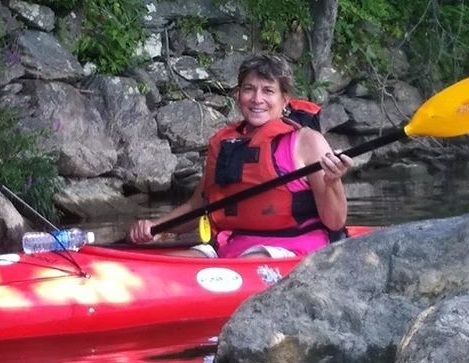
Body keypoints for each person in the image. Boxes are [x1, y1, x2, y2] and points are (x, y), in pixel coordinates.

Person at [128, 54, 353, 258]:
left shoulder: (307, 141)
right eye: (249, 89)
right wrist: (156, 227)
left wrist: (332, 182)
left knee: (250, 260)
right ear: (238, 94)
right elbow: (199, 207)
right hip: (232, 245)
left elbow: (335, 222)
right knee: (169, 263)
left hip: (292, 247)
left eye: (268, 90)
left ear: (285, 99)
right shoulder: (224, 143)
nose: (257, 99)